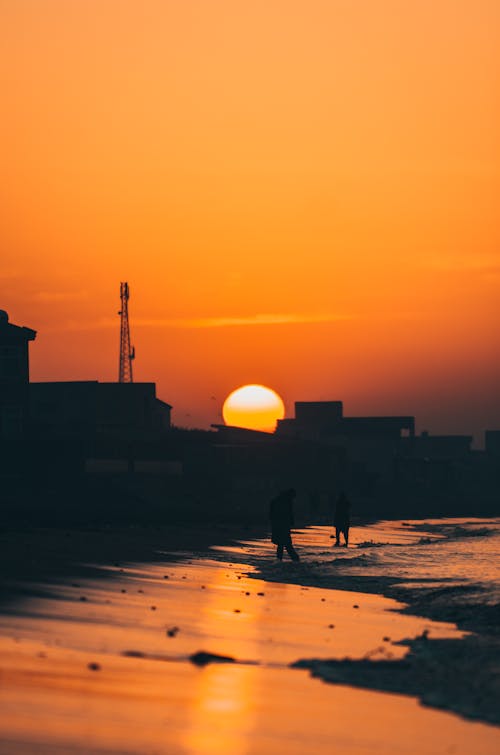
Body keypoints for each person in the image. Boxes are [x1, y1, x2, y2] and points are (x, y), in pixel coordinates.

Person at [269, 488, 300, 561]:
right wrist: (291, 522)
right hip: (283, 524)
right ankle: (295, 558)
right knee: (286, 543)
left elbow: (271, 514)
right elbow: (289, 513)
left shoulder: (277, 500)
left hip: (278, 524)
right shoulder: (286, 501)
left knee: (281, 543)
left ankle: (280, 559)